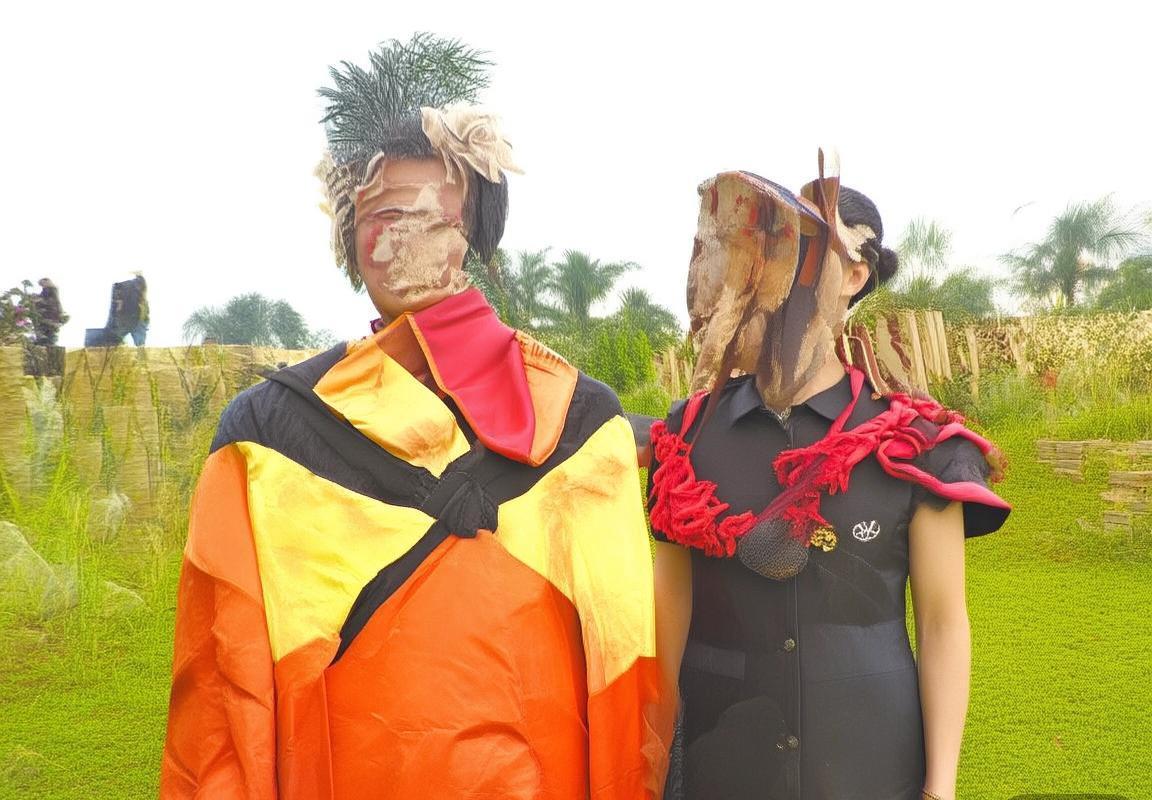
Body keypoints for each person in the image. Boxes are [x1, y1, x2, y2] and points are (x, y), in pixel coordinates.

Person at [161, 37, 674, 799]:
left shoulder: (580, 421)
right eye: (380, 215)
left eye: (428, 216)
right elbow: (221, 693)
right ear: (351, 242)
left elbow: (621, 660)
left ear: (477, 237)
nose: (398, 237)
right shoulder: (264, 435)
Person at [647, 158, 1010, 800]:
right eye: (775, 245)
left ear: (856, 275)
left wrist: (941, 788)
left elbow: (942, 622)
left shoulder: (913, 444)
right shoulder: (688, 436)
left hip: (872, 768)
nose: (783, 266)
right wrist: (651, 757)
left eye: (809, 248)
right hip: (720, 767)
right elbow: (667, 610)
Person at [32, 278, 66, 346]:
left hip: (50, 314)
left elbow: (51, 300)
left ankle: (46, 342)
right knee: (44, 330)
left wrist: (38, 300)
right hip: (46, 314)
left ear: (47, 282)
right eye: (41, 285)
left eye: (42, 284)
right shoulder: (47, 289)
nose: (42, 286)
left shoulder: (51, 289)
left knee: (48, 331)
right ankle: (44, 341)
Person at [128, 272, 148, 346]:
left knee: (140, 340)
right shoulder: (137, 294)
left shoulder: (141, 293)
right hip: (137, 318)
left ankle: (140, 345)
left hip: (139, 318)